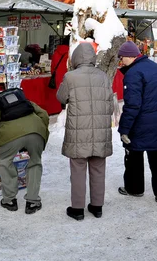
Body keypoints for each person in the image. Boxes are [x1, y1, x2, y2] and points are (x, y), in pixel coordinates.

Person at [56, 43, 114, 220]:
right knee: (98, 169)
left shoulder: (70, 77)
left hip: (78, 131)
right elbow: (110, 104)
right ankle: (97, 206)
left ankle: (78, 209)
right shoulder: (103, 76)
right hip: (100, 131)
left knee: (78, 169)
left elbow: (60, 97)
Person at [116, 41, 157, 204]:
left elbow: (132, 105)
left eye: (122, 57)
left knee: (133, 152)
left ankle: (134, 188)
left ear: (130, 56)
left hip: (142, 122)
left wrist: (124, 129)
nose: (121, 61)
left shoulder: (133, 73)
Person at [0, 89, 49, 214]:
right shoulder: (27, 102)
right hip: (36, 131)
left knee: (5, 162)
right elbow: (44, 115)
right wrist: (42, 134)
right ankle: (33, 202)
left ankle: (9, 200)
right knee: (35, 162)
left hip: (9, 136)